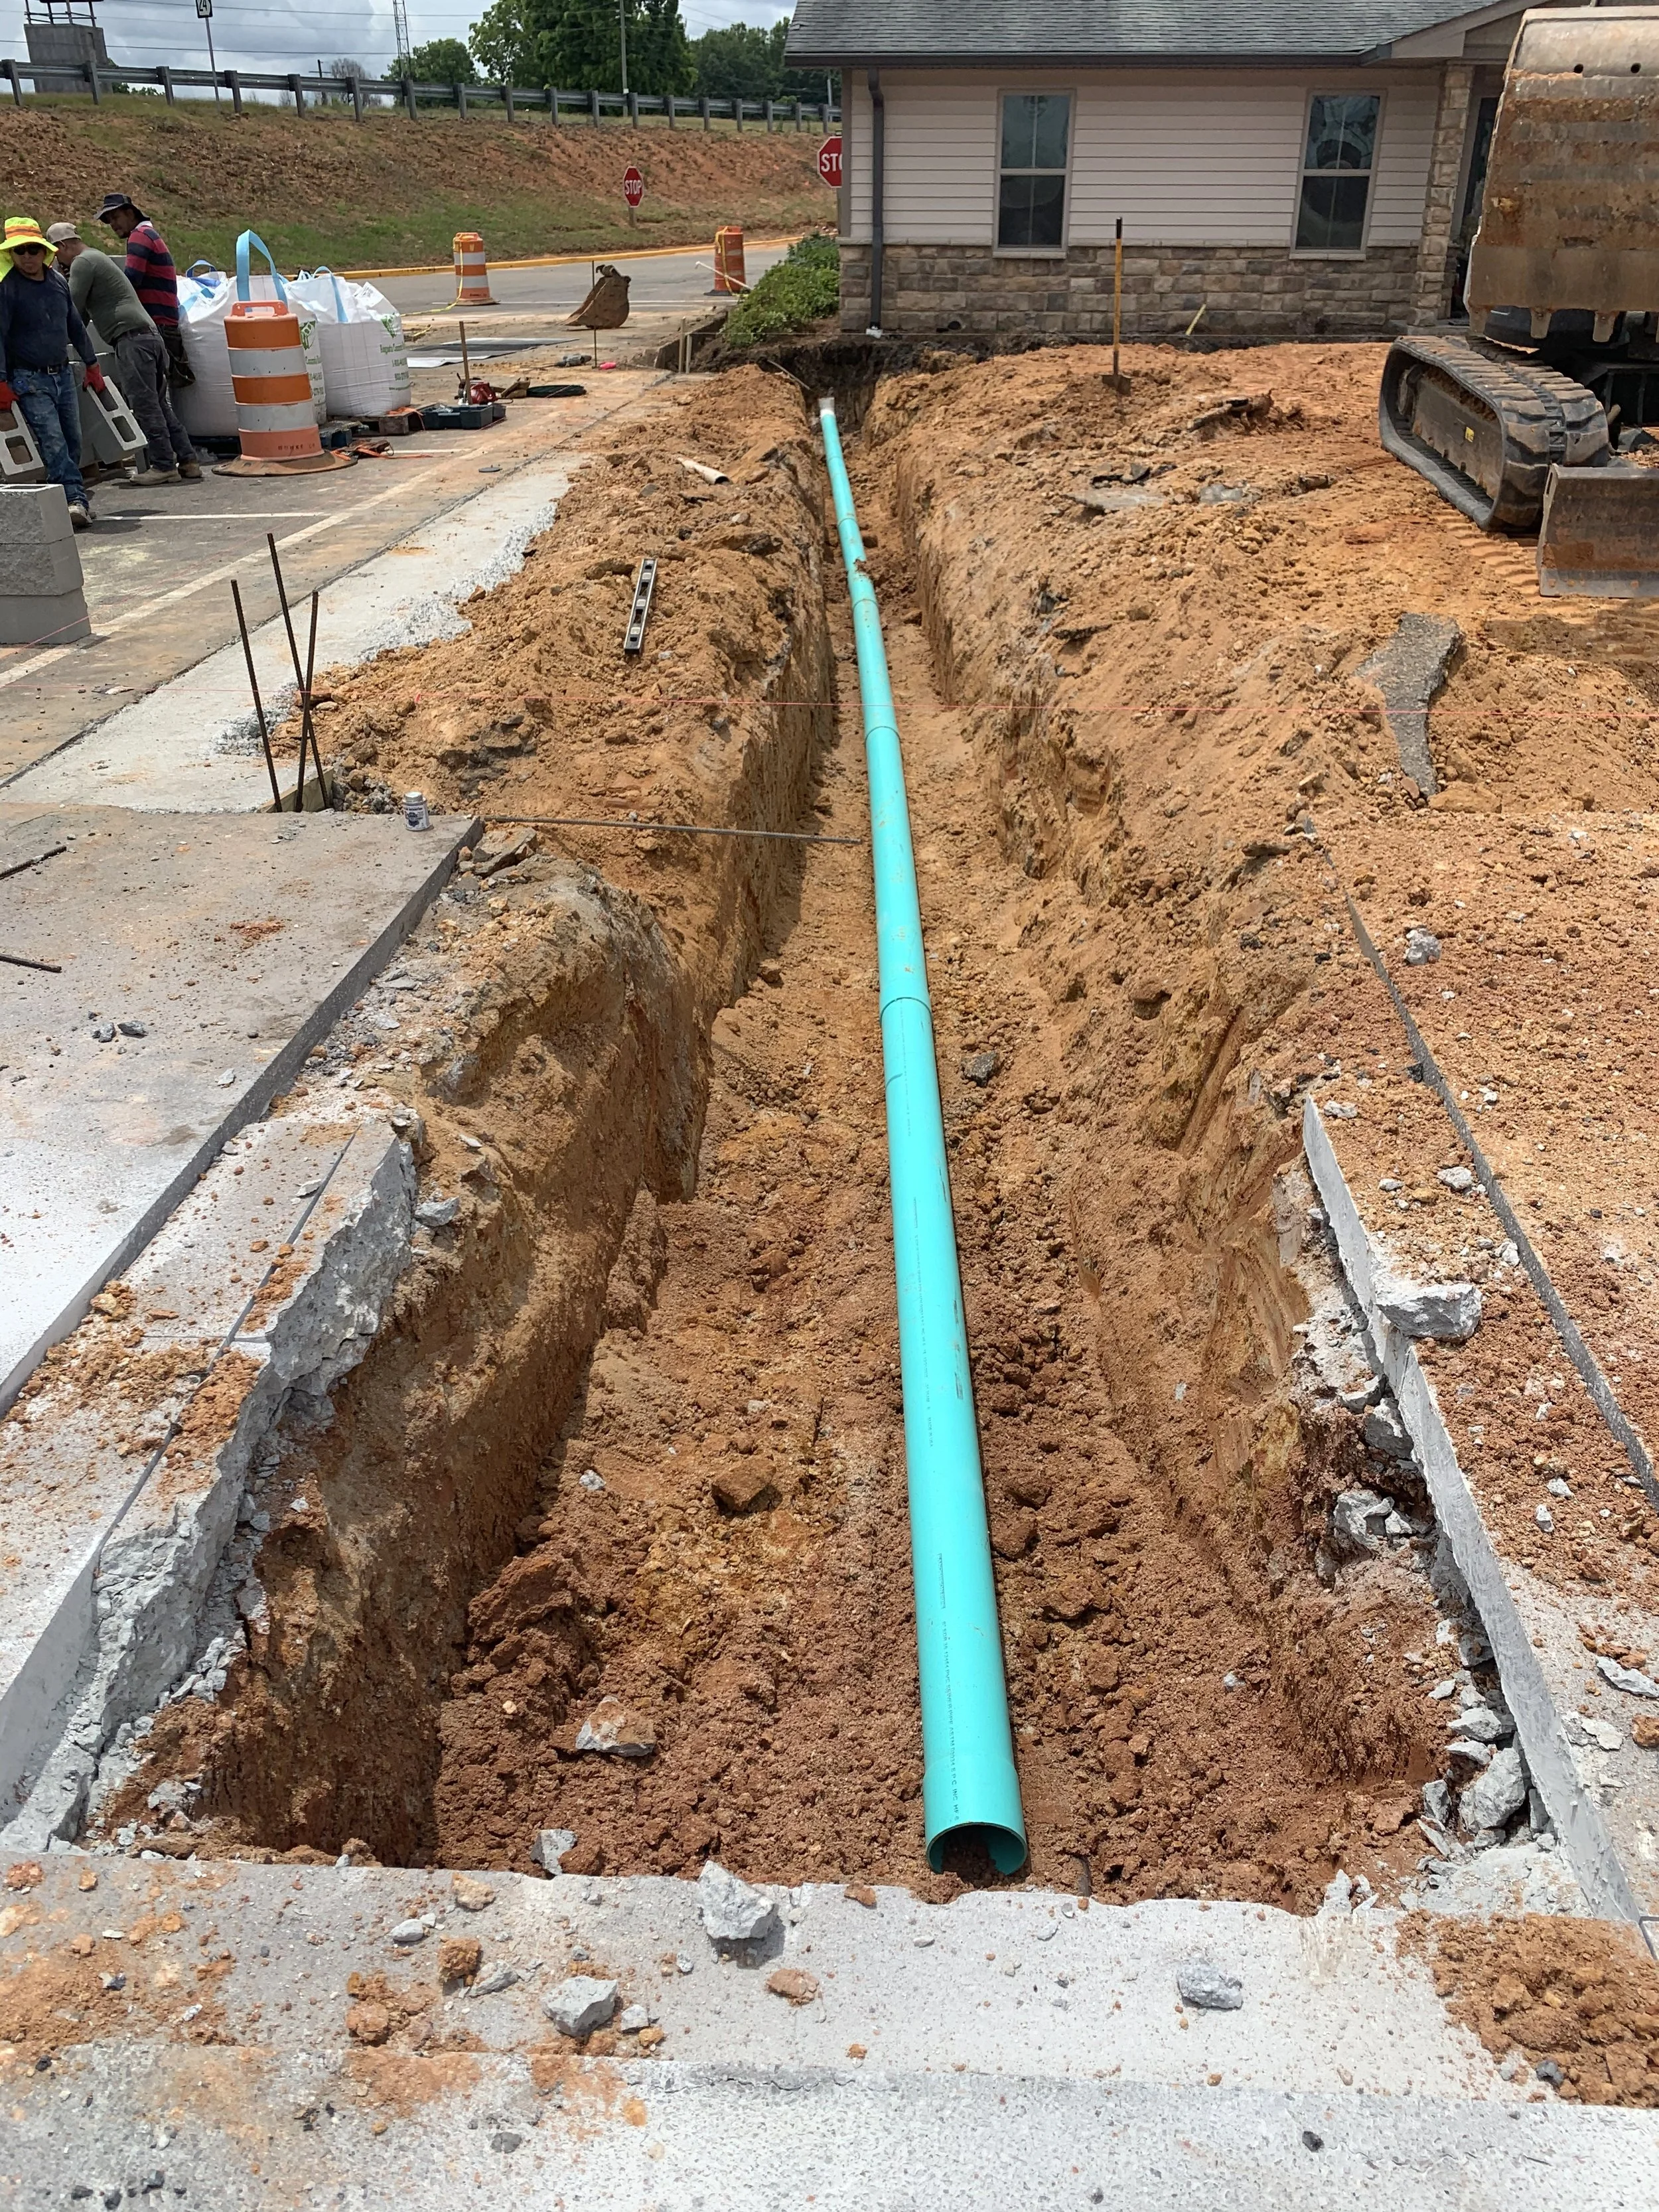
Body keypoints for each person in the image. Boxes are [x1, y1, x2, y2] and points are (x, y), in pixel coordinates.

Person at [46, 223, 199, 486]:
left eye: (55, 254)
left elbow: (71, 307)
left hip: (131, 340)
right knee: (159, 403)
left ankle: (164, 465)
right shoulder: (97, 258)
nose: (57, 260)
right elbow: (79, 318)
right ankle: (187, 460)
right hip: (148, 335)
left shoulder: (83, 263)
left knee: (144, 405)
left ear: (62, 246)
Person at [0, 213, 103, 528]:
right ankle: (75, 500)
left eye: (33, 249)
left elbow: (74, 324)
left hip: (61, 373)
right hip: (29, 378)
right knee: (53, 441)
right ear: (11, 254)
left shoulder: (57, 282)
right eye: (21, 251)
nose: (28, 256)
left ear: (45, 250)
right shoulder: (7, 288)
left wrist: (92, 363)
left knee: (72, 439)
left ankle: (66, 501)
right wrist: (2, 381)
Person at [95, 192, 193, 388]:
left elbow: (130, 281)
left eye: (116, 217)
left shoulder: (139, 237)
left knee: (150, 399)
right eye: (108, 221)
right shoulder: (148, 235)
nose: (113, 225)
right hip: (164, 325)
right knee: (161, 398)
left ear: (131, 214)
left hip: (156, 326)